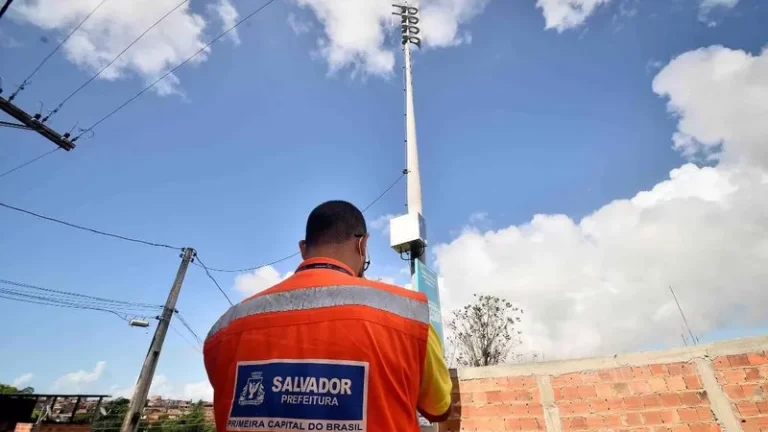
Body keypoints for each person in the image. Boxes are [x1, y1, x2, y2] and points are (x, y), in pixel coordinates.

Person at [204, 200, 452, 432]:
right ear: (362, 245)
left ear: (303, 249)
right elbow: (439, 409)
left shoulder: (225, 329)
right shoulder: (407, 316)